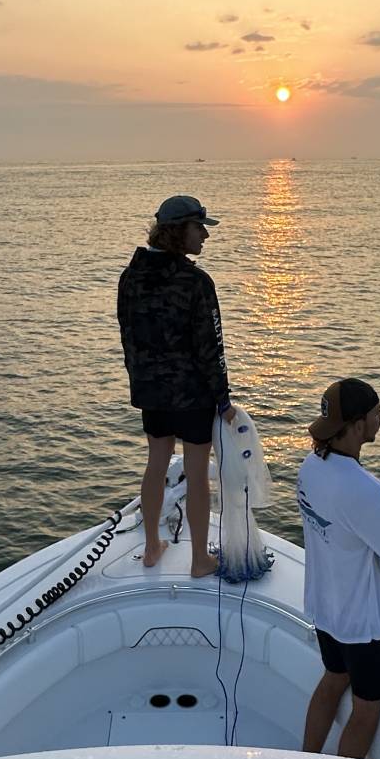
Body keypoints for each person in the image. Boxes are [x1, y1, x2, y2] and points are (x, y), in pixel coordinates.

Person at [118, 194, 237, 576]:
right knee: (198, 473)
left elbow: (128, 335)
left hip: (152, 393)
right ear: (177, 231)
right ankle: (200, 559)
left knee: (155, 463)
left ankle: (153, 545)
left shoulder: (130, 276)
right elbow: (210, 346)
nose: (204, 235)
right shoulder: (196, 282)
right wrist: (224, 399)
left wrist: (140, 383)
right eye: (198, 227)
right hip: (192, 395)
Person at [297, 378, 380, 759]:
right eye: (377, 412)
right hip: (366, 627)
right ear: (359, 425)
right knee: (366, 710)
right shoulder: (369, 492)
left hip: (325, 611)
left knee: (332, 679)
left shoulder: (310, 468)